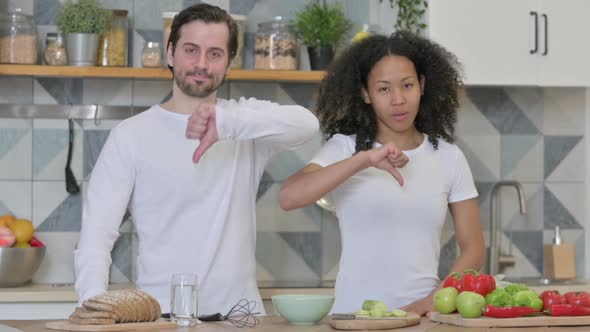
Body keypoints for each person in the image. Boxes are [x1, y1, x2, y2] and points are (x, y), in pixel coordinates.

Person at [74, 3, 319, 315]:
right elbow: (96, 235)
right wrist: (92, 305)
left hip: (240, 319)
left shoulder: (244, 124)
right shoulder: (131, 135)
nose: (201, 63)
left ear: (229, 63)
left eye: (215, 53)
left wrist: (227, 122)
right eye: (191, 50)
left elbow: (306, 125)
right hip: (160, 318)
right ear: (170, 53)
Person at [279, 31, 485, 316]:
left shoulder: (449, 158)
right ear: (365, 93)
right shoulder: (345, 148)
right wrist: (362, 160)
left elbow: (474, 248)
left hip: (422, 318)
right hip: (354, 318)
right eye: (384, 89)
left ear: (422, 85)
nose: (398, 99)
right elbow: (289, 196)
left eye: (407, 85)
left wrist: (432, 301)